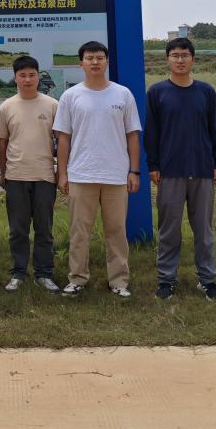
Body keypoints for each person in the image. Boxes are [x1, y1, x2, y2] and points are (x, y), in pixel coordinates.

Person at [53, 41, 141, 298]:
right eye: (90, 58)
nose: (95, 62)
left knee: (116, 231)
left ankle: (119, 281)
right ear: (81, 63)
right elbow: (64, 138)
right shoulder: (71, 96)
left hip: (116, 174)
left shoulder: (123, 94)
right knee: (80, 232)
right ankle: (77, 278)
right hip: (81, 174)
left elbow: (132, 135)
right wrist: (62, 173)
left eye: (100, 57)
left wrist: (134, 171)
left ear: (107, 62)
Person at [144, 38, 216, 302]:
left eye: (185, 55)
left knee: (204, 230)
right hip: (170, 170)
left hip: (202, 169)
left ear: (193, 59)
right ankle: (166, 280)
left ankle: (207, 280)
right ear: (167, 59)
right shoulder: (157, 92)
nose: (180, 60)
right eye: (175, 55)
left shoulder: (206, 92)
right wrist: (153, 165)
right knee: (169, 230)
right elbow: (152, 133)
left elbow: (214, 129)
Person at [0, 55, 60, 293]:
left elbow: (61, 141)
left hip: (44, 177)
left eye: (32, 75)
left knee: (44, 229)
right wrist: (3, 173)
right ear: (15, 78)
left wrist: (60, 172)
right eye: (22, 75)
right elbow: (2, 144)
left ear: (38, 76)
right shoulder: (6, 107)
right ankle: (18, 273)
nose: (27, 79)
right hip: (16, 177)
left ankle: (44, 273)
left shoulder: (52, 105)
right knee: (18, 230)